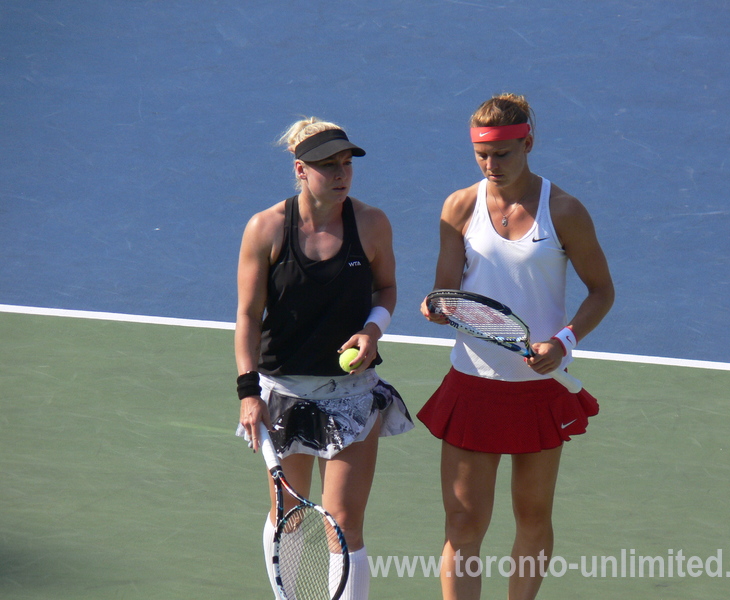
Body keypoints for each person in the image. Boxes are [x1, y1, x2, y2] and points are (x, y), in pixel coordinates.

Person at [418, 93, 614, 599]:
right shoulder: (460, 206)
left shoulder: (564, 211)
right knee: (463, 523)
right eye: (481, 155)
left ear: (528, 142)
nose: (491, 165)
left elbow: (602, 290)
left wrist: (564, 343)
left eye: (502, 154)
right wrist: (436, 307)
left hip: (537, 388)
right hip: (473, 385)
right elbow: (447, 294)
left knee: (532, 517)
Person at [234, 117, 414, 600]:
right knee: (288, 520)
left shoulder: (372, 223)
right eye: (326, 166)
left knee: (343, 522)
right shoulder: (266, 228)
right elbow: (248, 317)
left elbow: (388, 287)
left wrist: (372, 330)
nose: (341, 174)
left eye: (345, 164)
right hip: (283, 393)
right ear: (300, 170)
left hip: (353, 397)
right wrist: (248, 394)